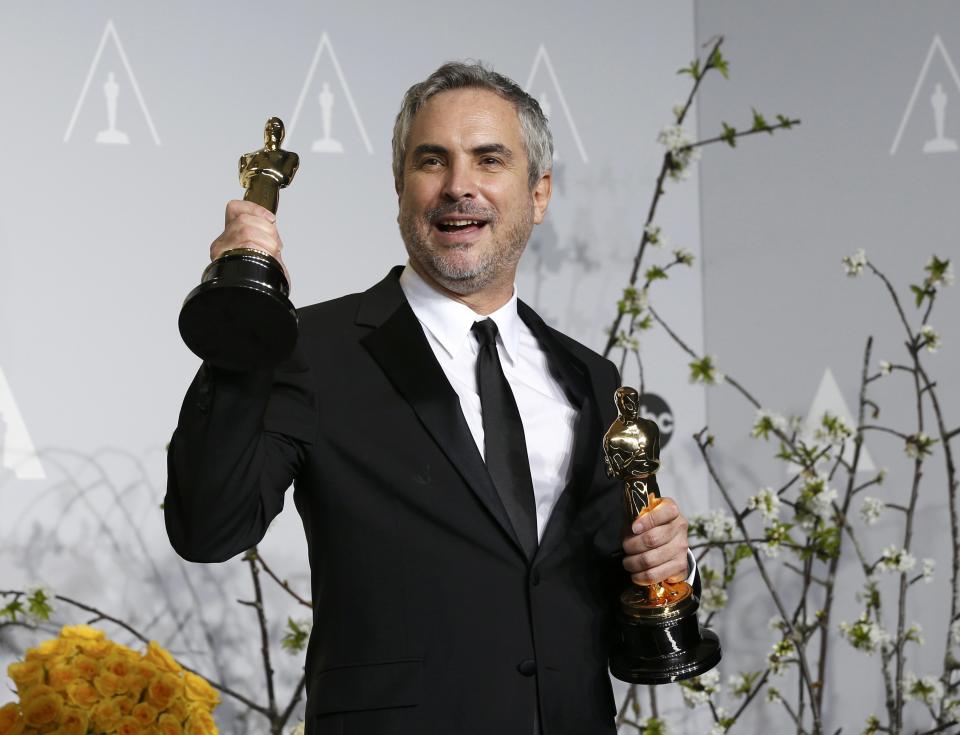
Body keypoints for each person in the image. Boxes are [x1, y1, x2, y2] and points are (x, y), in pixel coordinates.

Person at [165, 61, 695, 735]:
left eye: (489, 159)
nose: (458, 187)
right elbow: (209, 527)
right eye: (432, 161)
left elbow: (610, 618)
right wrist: (243, 324)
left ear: (538, 193)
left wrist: (662, 571)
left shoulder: (588, 375)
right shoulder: (309, 348)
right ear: (400, 186)